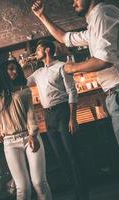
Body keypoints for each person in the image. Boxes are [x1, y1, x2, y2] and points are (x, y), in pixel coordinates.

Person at [32, 0, 119, 196]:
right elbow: (64, 37)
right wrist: (42, 16)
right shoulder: (95, 24)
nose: (73, 2)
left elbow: (104, 60)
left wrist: (71, 68)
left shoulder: (103, 12)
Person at [0, 29, 52, 200]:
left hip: (30, 138)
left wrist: (33, 135)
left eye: (15, 69)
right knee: (23, 188)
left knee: (39, 183)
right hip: (10, 142)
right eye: (10, 69)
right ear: (3, 72)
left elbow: (31, 116)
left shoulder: (24, 91)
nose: (14, 72)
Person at [26, 39, 89, 200]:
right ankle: (76, 190)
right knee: (61, 157)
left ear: (47, 50)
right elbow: (22, 83)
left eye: (38, 50)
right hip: (48, 116)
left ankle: (82, 195)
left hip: (63, 113)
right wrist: (23, 63)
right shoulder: (38, 73)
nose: (36, 53)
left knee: (72, 155)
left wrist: (72, 119)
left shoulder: (61, 66)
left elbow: (72, 92)